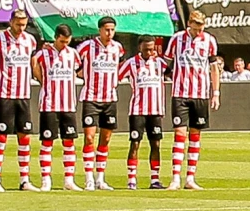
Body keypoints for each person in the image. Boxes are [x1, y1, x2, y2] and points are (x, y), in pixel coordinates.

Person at [0, 9, 39, 191]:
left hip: (23, 94)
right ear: (11, 22)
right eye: (18, 24)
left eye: (24, 24)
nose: (21, 28)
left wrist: (43, 81)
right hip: (4, 94)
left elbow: (33, 64)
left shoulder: (30, 40)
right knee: (1, 137)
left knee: (25, 136)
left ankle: (24, 179)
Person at [164, 9, 220, 190]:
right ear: (189, 24)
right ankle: (175, 178)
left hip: (201, 94)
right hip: (180, 93)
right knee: (180, 134)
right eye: (196, 28)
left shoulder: (209, 41)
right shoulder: (177, 39)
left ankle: (190, 178)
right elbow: (165, 63)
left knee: (195, 136)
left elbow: (213, 68)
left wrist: (216, 92)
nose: (199, 32)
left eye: (201, 28)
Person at [76, 15, 126, 190]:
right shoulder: (86, 47)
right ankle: (88, 178)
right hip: (91, 97)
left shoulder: (118, 48)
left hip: (110, 98)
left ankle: (100, 178)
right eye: (106, 30)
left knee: (105, 139)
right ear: (99, 30)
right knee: (89, 138)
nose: (110, 33)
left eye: (112, 30)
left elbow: (119, 68)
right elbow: (74, 65)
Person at [33, 24, 81, 191]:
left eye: (67, 41)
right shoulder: (43, 54)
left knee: (69, 142)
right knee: (47, 142)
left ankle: (69, 179)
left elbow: (77, 71)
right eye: (62, 41)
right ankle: (46, 179)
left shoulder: (73, 54)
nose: (64, 45)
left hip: (68, 104)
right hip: (49, 104)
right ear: (55, 37)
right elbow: (35, 68)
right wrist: (44, 83)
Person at [119, 37, 167, 189]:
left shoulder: (160, 63)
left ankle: (155, 179)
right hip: (138, 110)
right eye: (146, 49)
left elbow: (176, 71)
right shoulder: (131, 63)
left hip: (155, 110)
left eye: (151, 49)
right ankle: (132, 180)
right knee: (135, 144)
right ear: (140, 47)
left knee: (156, 144)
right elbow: (116, 76)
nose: (149, 52)